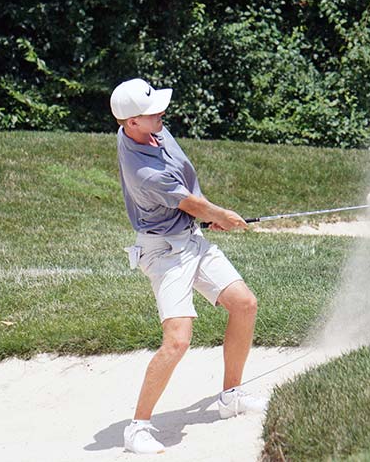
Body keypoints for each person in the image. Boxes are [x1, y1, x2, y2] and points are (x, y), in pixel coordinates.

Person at [111, 78, 267, 455]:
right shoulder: (143, 171)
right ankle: (138, 428)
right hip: (165, 253)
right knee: (178, 340)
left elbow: (191, 194)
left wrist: (211, 214)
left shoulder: (154, 132)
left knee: (244, 303)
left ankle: (230, 395)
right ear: (130, 123)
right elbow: (189, 203)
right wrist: (223, 216)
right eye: (151, 112)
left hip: (191, 238)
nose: (160, 113)